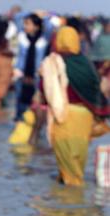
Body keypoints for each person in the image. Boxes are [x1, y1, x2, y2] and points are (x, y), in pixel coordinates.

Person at [40, 26, 110, 186]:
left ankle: (71, 205)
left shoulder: (54, 62)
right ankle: (75, 206)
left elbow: (45, 89)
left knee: (68, 169)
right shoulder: (86, 63)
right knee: (77, 163)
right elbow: (96, 88)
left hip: (64, 116)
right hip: (85, 118)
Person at [14, 13, 48, 121]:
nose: (25, 26)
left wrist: (43, 14)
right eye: (25, 24)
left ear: (36, 26)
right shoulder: (22, 38)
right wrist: (28, 13)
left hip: (36, 76)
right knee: (20, 102)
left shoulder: (43, 41)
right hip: (21, 74)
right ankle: (19, 123)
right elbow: (17, 17)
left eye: (28, 24)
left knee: (36, 103)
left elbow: (50, 25)